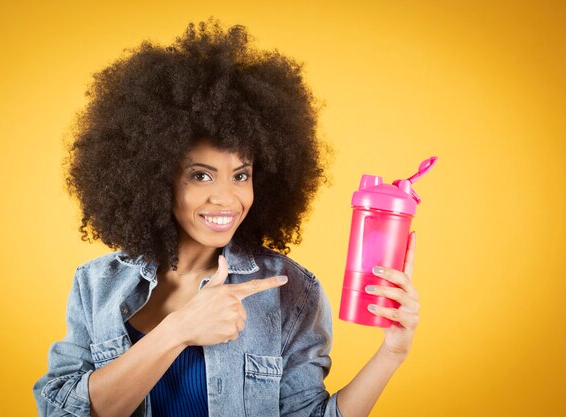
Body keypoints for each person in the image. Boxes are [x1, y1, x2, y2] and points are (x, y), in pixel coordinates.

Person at [33, 17, 420, 417]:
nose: (226, 198)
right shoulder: (97, 285)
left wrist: (391, 353)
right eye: (201, 175)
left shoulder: (290, 291)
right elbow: (61, 411)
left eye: (241, 175)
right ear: (153, 175)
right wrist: (179, 330)